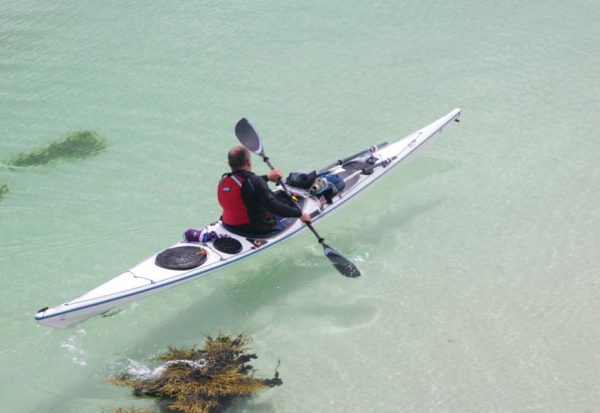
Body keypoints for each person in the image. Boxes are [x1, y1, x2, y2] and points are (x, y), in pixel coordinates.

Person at [218, 146, 312, 233]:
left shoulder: (224, 180)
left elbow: (245, 185)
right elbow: (273, 206)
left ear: (229, 164)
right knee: (283, 200)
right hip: (253, 228)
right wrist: (300, 215)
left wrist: (267, 177)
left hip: (229, 224)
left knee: (272, 197)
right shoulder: (255, 181)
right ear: (248, 162)